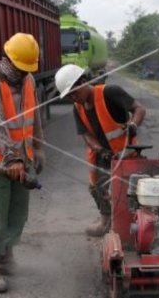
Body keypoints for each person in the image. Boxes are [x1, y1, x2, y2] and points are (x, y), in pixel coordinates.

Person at [0, 32, 45, 293]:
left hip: (20, 159)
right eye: (20, 68)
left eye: (28, 69)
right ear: (7, 59)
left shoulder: (29, 80)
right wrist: (11, 157)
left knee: (17, 214)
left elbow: (34, 114)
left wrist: (37, 147)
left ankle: (6, 256)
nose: (24, 74)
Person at [54, 64, 146, 237]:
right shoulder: (78, 107)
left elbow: (139, 109)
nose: (74, 98)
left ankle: (135, 222)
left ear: (82, 82)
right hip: (104, 156)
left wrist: (133, 124)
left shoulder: (110, 92)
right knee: (97, 188)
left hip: (127, 154)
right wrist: (100, 150)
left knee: (128, 192)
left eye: (74, 92)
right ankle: (106, 221)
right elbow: (86, 134)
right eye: (70, 96)